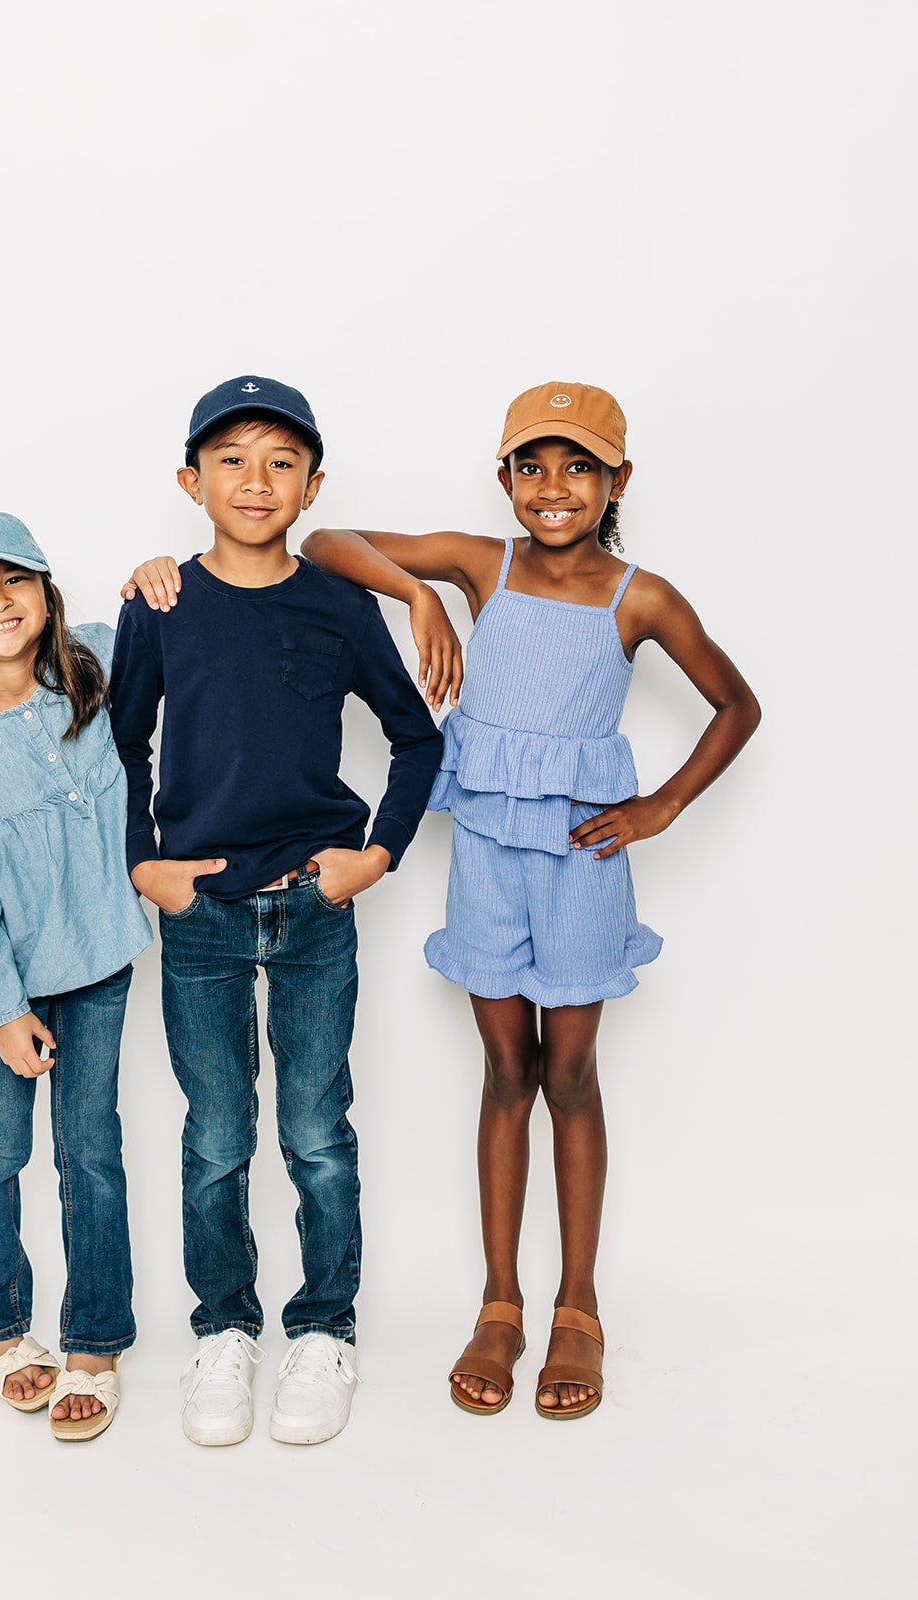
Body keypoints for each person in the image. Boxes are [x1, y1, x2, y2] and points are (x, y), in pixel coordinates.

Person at [128, 380, 760, 1421]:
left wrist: (660, 807)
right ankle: (499, 1303)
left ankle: (578, 1307)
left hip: (581, 857)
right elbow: (332, 542)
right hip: (487, 858)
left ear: (618, 482)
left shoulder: (639, 595)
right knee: (504, 1068)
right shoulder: (481, 562)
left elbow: (738, 702)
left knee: (571, 1070)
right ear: (505, 477)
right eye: (531, 465)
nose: (553, 488)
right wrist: (419, 593)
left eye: (579, 468)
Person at [111, 376, 443, 1446]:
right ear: (190, 480)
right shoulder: (157, 602)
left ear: (311, 484)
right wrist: (140, 866)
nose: (256, 480)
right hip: (199, 911)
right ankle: (223, 1329)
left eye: (281, 461)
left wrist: (377, 854)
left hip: (313, 908)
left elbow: (417, 737)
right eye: (232, 459)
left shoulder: (340, 607)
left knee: (315, 1132)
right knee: (214, 1135)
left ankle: (325, 1327)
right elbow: (120, 742)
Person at [0, 510, 151, 1442]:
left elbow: (163, 618)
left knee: (91, 1152)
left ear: (49, 596)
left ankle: (94, 1341)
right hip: (4, 981)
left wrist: (154, 573)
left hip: (98, 964)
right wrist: (4, 1009)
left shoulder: (95, 661)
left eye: (14, 581)